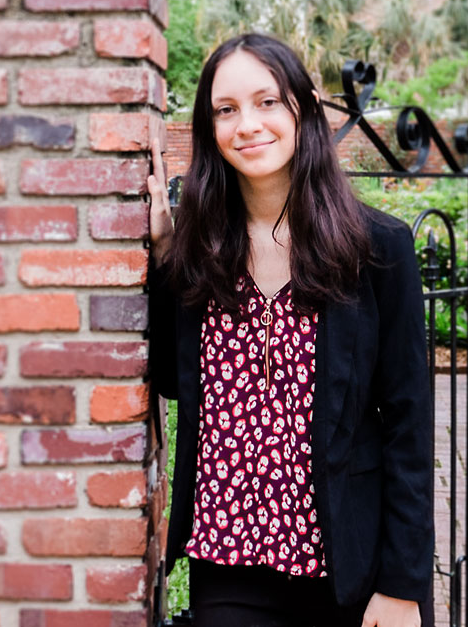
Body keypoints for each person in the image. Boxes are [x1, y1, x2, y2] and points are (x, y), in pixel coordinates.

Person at [147, 33, 434, 627]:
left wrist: (402, 584)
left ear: (301, 108)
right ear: (209, 128)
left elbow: (409, 423)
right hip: (229, 561)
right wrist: (163, 254)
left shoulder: (377, 248)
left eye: (267, 102)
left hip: (348, 565)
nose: (247, 124)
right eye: (226, 110)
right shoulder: (201, 252)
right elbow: (175, 382)